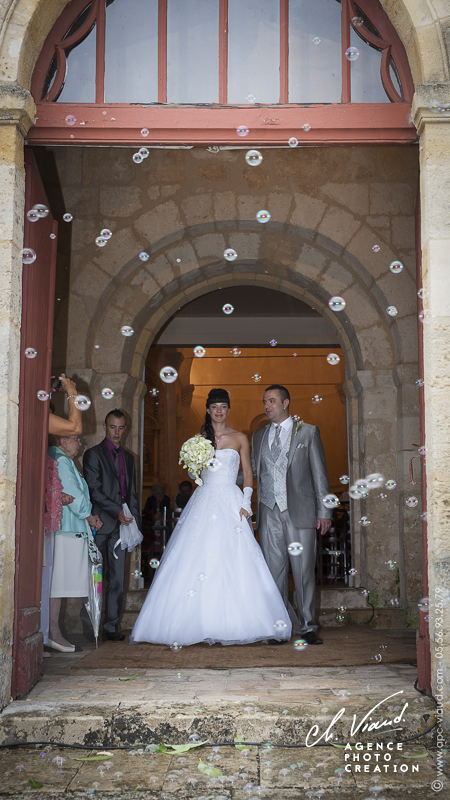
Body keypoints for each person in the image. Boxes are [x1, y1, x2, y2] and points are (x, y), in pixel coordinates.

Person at [130, 388, 291, 647]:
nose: (218, 410)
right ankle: (195, 622)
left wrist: (245, 502)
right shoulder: (198, 440)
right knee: (198, 557)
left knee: (235, 558)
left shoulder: (239, 437)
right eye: (214, 406)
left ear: (228, 409)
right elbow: (195, 475)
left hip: (231, 501)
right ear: (208, 410)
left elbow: (248, 472)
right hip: (204, 501)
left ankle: (241, 622)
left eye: (223, 406)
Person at [251, 384, 332, 645]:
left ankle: (308, 626)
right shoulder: (257, 436)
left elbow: (319, 473)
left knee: (303, 570)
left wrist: (324, 510)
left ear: (286, 403)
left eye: (272, 400)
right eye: (265, 401)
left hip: (300, 510)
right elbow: (251, 472)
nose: (267, 405)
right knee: (274, 571)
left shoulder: (307, 432)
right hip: (267, 510)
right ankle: (280, 626)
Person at [83, 409, 140, 641]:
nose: (117, 432)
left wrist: (134, 523)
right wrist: (116, 511)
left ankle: (111, 626)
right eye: (113, 427)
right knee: (95, 577)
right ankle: (90, 625)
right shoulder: (92, 454)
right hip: (99, 523)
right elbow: (94, 490)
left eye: (121, 427)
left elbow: (132, 493)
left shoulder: (129, 458)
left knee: (117, 579)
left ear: (125, 429)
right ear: (105, 427)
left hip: (121, 527)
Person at [47, 434, 102, 653]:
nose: (80, 444)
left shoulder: (58, 458)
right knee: (57, 586)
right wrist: (88, 515)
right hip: (67, 529)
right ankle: (53, 633)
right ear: (62, 440)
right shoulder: (61, 460)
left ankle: (52, 632)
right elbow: (74, 495)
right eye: (76, 439)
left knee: (56, 585)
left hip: (64, 528)